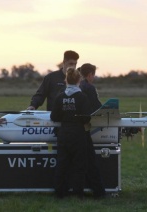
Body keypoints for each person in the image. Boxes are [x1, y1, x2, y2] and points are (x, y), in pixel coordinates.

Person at [50, 67, 91, 199]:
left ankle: (59, 192)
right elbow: (86, 117)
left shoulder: (60, 97)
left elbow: (54, 117)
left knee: (62, 164)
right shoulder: (82, 97)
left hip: (63, 133)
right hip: (78, 134)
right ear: (79, 80)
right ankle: (78, 193)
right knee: (79, 164)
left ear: (65, 80)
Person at [78, 63, 106, 198]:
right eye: (93, 75)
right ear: (90, 75)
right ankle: (99, 192)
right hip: (85, 127)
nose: (93, 78)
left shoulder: (77, 86)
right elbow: (97, 107)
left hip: (73, 128)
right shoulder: (89, 87)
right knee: (90, 161)